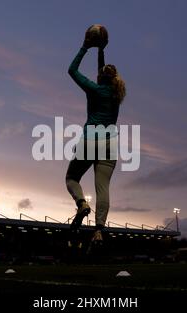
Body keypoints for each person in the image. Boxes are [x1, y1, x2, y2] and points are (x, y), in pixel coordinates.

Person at [65, 30, 126, 247]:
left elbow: (71, 70)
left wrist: (85, 47)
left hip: (91, 138)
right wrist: (101, 50)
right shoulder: (117, 93)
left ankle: (81, 204)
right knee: (103, 187)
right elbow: (103, 73)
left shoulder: (94, 88)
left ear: (100, 77)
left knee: (72, 178)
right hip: (111, 142)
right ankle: (99, 229)